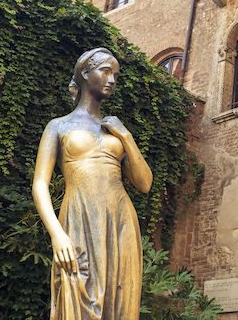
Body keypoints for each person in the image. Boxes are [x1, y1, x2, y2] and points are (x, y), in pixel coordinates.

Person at [32, 48, 152, 319]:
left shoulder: (115, 130)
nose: (112, 79)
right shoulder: (58, 126)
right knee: (77, 293)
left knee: (119, 302)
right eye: (106, 71)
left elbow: (144, 184)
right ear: (85, 73)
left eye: (116, 75)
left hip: (120, 220)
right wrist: (57, 234)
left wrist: (126, 136)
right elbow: (40, 183)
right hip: (79, 216)